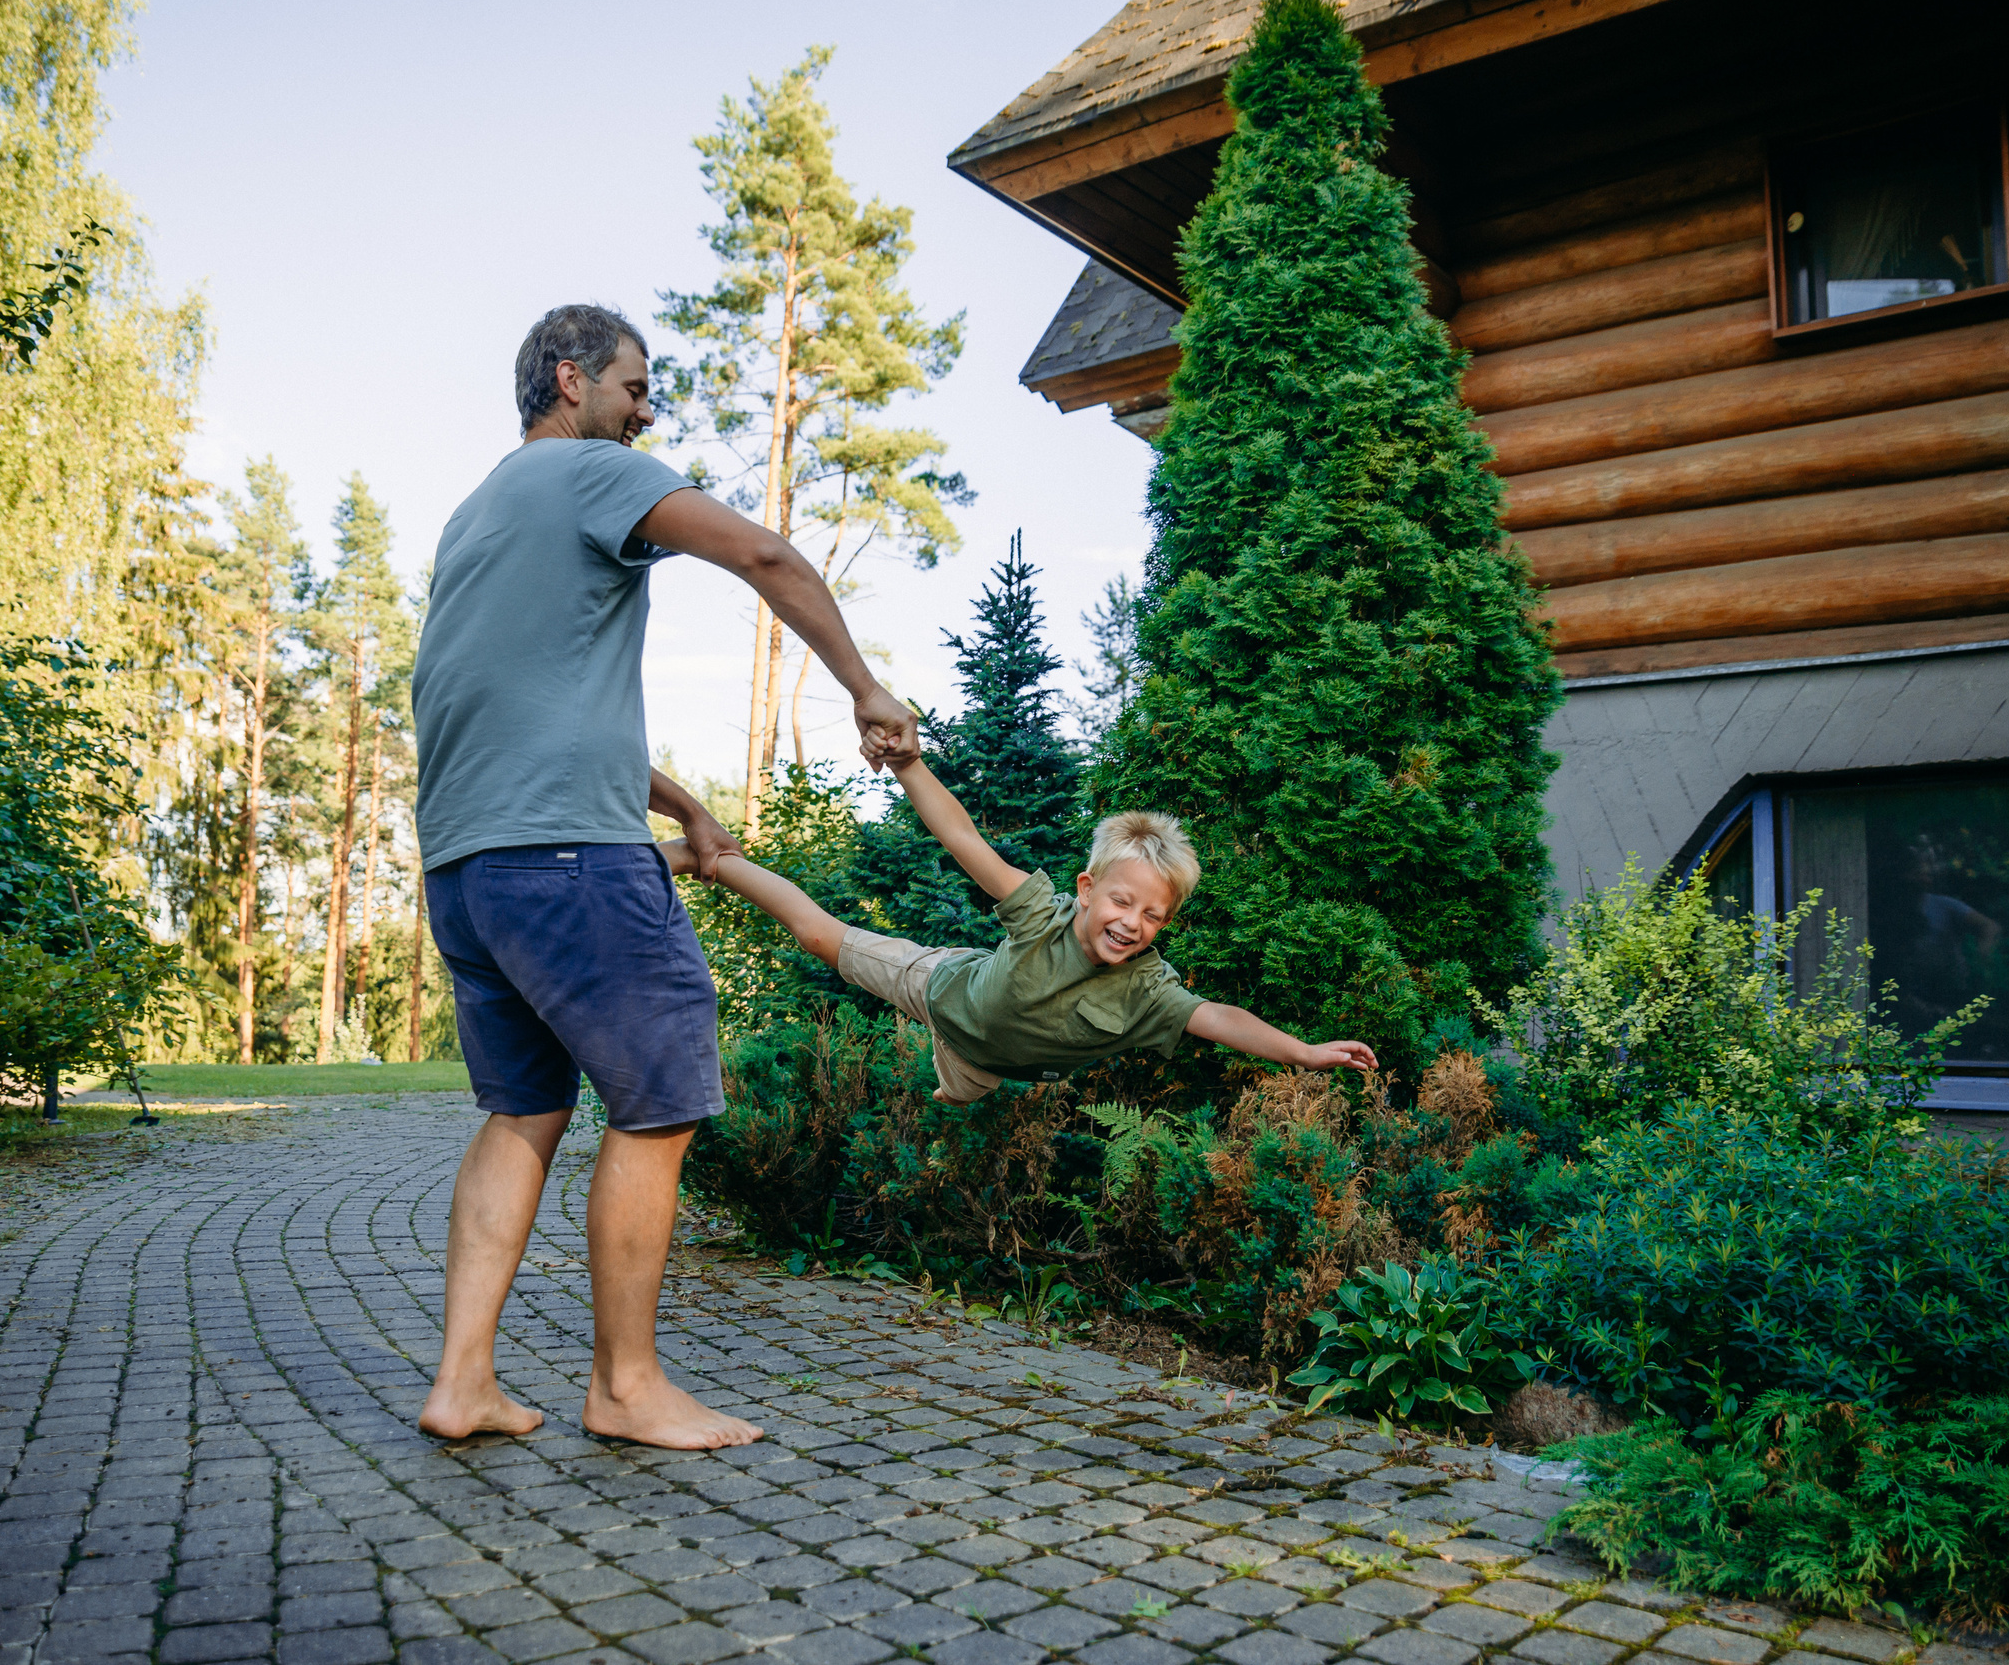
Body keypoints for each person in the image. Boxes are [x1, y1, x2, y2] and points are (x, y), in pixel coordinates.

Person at [410, 303, 917, 1449]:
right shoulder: (591, 469)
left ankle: (463, 1381)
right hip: (567, 858)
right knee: (661, 1096)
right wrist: (865, 687)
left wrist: (679, 801)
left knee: (521, 1107)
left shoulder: (476, 513)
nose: (647, 412)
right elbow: (763, 553)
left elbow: (522, 701)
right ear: (567, 375)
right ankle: (626, 1386)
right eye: (635, 387)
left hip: (467, 865)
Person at [662, 754, 1378, 1099]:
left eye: (1154, 915)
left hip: (984, 1063)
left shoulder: (1150, 989)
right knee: (822, 936)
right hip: (943, 988)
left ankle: (952, 1084)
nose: (1133, 923)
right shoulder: (1042, 914)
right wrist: (908, 764)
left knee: (957, 1095)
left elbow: (1221, 1017)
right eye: (1122, 902)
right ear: (1088, 889)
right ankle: (716, 860)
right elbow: (964, 840)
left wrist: (1304, 1051)